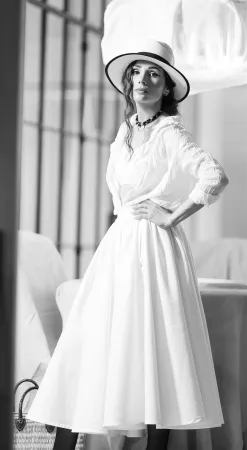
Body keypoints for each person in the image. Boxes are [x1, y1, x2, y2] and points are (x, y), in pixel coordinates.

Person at [26, 38, 229, 450]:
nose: (143, 80)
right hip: (118, 247)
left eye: (154, 74)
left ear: (167, 88)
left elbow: (215, 176)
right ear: (127, 82)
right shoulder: (124, 133)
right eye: (136, 72)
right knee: (91, 341)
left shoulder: (171, 133)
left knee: (155, 348)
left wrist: (170, 217)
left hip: (153, 249)